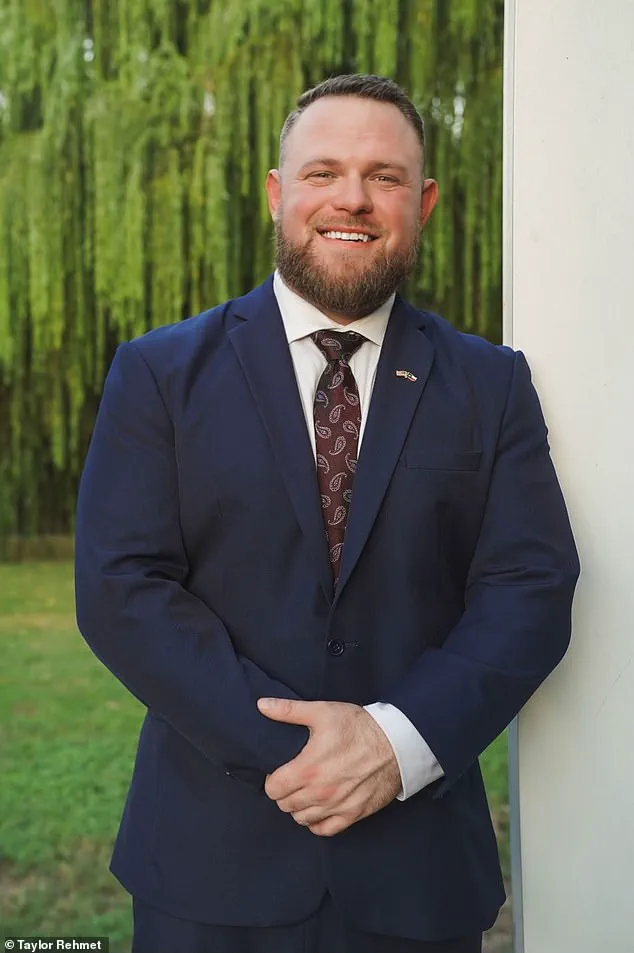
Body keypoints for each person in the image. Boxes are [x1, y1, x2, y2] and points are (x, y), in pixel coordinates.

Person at [75, 74, 579, 953]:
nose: (353, 198)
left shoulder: (491, 384)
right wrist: (306, 757)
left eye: (385, 176)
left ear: (422, 203)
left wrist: (396, 744)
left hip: (419, 873)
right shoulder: (158, 374)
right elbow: (123, 589)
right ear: (278, 193)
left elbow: (529, 587)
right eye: (324, 172)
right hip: (208, 867)